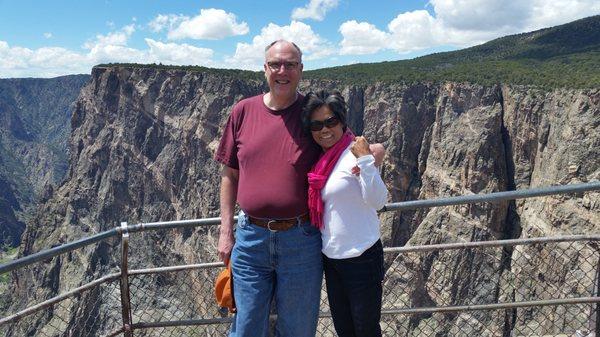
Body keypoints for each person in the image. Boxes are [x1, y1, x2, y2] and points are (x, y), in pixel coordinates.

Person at [215, 40, 323, 337]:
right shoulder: (242, 111)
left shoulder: (313, 112)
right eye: (275, 64)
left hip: (301, 240)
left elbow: (344, 145)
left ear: (301, 69)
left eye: (290, 64)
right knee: (246, 328)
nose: (282, 71)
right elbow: (229, 175)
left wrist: (373, 152)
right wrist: (226, 232)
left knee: (298, 329)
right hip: (250, 239)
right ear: (265, 69)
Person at [303, 90, 388, 337]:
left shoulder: (355, 153)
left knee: (366, 331)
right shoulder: (320, 161)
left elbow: (378, 200)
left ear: (342, 120)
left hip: (362, 257)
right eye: (316, 125)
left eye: (331, 121)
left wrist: (366, 160)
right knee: (345, 330)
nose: (325, 130)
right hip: (332, 259)